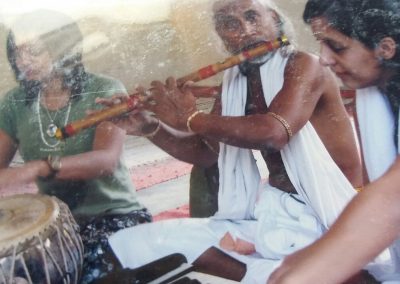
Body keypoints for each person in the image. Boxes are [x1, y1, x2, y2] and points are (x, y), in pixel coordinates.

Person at [105, 0, 364, 282]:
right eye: (230, 24)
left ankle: (284, 272)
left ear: (275, 21)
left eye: (252, 16)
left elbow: (274, 133)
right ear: (221, 36)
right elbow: (208, 152)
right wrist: (149, 126)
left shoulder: (305, 64)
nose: (244, 30)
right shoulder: (236, 79)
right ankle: (274, 272)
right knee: (137, 242)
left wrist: (190, 117)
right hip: (276, 215)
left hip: (333, 214)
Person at [0, 10, 151, 283]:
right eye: (17, 53)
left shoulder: (103, 89)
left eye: (33, 51)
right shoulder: (15, 102)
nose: (23, 61)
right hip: (54, 225)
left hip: (113, 216)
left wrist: (39, 167)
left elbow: (105, 161)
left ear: (62, 49)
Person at [268, 0, 400, 283]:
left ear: (386, 47)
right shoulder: (376, 89)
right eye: (320, 44)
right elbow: (378, 187)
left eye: (336, 46)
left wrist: (320, 264)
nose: (324, 58)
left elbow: (394, 197)